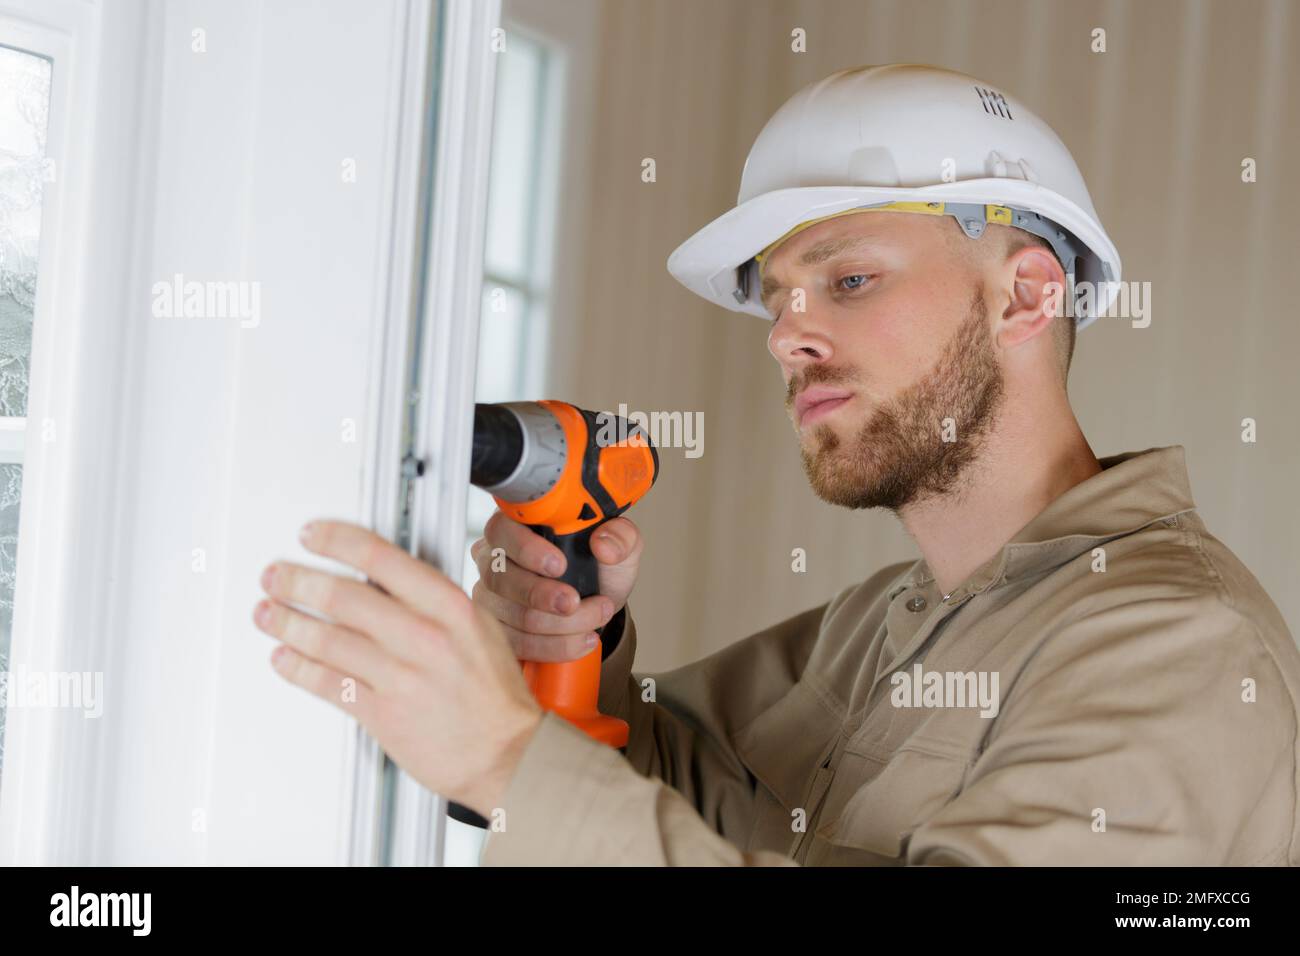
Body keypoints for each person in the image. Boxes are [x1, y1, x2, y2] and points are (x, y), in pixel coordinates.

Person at [256, 64, 1300, 866]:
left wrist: (502, 757)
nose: (784, 336)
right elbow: (674, 785)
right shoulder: (878, 620)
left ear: (1025, 297)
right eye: (775, 299)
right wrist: (574, 652)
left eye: (846, 278)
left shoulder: (1176, 643)